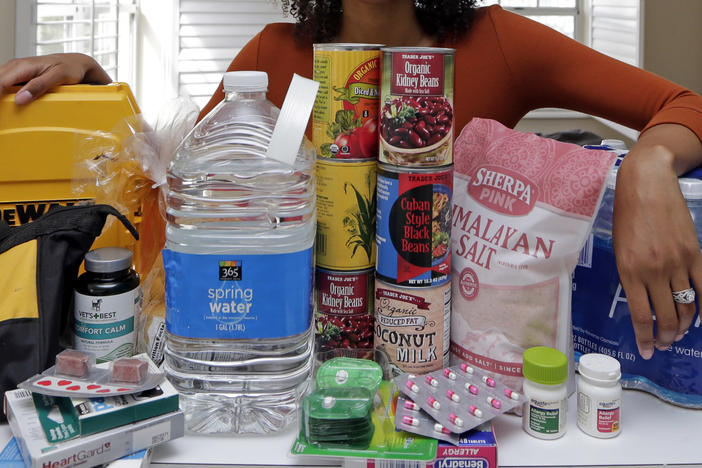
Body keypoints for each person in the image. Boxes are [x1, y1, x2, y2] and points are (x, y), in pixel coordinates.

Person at [1, 0, 701, 362]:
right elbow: (178, 193)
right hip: (299, 356)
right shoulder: (275, 56)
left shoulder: (500, 42)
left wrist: (647, 162)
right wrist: (96, 93)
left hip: (466, 358)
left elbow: (684, 106)